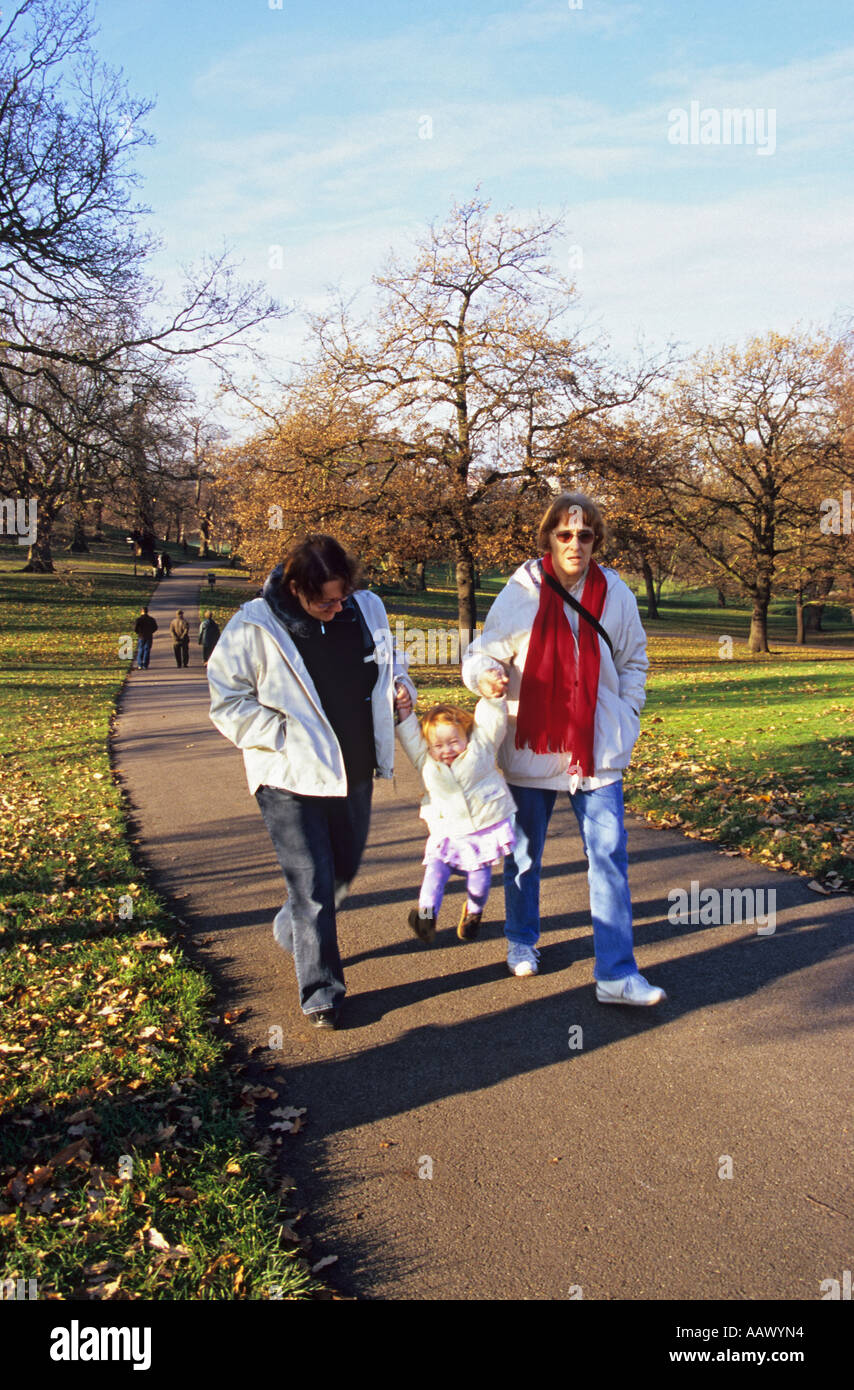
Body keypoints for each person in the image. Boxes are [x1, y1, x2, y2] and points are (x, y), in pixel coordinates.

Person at [461, 491, 666, 1005]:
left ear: (597, 540)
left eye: (586, 535)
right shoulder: (523, 591)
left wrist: (628, 711)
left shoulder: (615, 591)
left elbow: (634, 658)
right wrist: (485, 675)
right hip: (534, 747)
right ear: (549, 537)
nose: (576, 543)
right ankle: (521, 940)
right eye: (565, 534)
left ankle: (617, 974)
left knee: (609, 857)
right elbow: (483, 653)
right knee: (526, 856)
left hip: (597, 750)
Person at [206, 534, 415, 1030]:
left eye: (342, 596)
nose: (337, 607)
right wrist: (281, 734)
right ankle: (322, 991)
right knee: (313, 884)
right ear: (297, 588)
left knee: (339, 875)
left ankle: (296, 929)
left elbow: (389, 664)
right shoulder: (252, 624)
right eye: (325, 600)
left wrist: (401, 686)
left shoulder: (368, 608)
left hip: (355, 768)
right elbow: (226, 700)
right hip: (288, 777)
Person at [395, 698, 517, 944]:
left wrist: (493, 698)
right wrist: (404, 711)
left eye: (453, 742)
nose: (447, 750)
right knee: (434, 878)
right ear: (428, 747)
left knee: (479, 886)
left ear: (466, 738)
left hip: (481, 832)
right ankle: (426, 918)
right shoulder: (426, 761)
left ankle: (473, 912)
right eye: (438, 745)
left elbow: (493, 725)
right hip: (447, 835)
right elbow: (410, 738)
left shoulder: (480, 750)